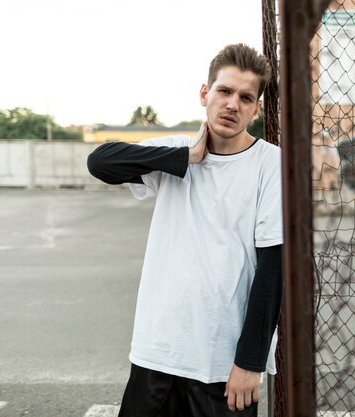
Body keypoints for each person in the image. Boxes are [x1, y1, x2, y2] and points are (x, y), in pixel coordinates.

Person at [87, 43, 283, 417]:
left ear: (256, 109)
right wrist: (186, 157)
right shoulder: (175, 151)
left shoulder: (269, 165)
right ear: (204, 94)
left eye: (245, 97)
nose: (232, 104)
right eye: (224, 91)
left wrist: (251, 363)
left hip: (222, 365)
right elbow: (100, 162)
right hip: (156, 353)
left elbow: (272, 270)